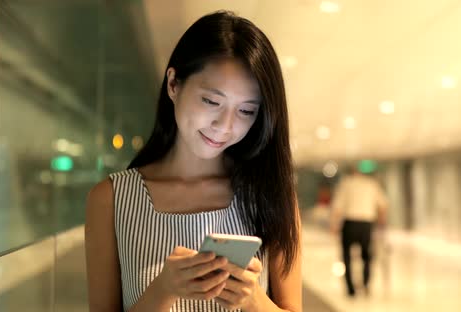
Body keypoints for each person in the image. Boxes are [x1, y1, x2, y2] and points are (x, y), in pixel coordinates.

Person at [85, 11, 301, 312]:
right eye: (212, 102)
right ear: (173, 84)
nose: (225, 126)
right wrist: (163, 290)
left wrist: (254, 301)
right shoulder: (111, 200)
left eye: (246, 111)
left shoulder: (270, 194)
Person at [329, 166, 387, 297]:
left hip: (350, 223)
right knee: (367, 256)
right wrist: (382, 222)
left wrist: (334, 225)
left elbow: (338, 206)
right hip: (366, 224)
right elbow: (383, 206)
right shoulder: (372, 184)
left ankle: (350, 289)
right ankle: (366, 283)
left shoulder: (346, 184)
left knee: (347, 256)